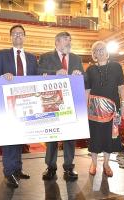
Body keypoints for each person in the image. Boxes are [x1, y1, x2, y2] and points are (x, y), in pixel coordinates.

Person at [0, 24, 38, 188]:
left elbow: (37, 79)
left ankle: (17, 169)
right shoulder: (2, 54)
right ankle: (9, 172)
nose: (18, 36)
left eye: (21, 34)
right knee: (9, 139)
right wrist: (3, 76)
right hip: (8, 104)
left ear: (25, 37)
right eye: (15, 34)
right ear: (11, 37)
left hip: (27, 104)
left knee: (20, 138)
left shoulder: (32, 58)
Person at [38, 32, 84, 181]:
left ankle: (69, 167)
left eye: (70, 40)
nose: (69, 42)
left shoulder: (77, 58)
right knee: (51, 137)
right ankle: (51, 167)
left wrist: (79, 73)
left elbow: (85, 78)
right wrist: (54, 73)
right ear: (57, 42)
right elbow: (38, 73)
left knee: (70, 136)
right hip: (52, 102)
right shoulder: (45, 57)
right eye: (65, 40)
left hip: (70, 103)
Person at [86, 41, 124, 177]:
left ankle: (106, 164)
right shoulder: (90, 70)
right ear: (94, 54)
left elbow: (121, 88)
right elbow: (87, 91)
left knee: (109, 137)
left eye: (102, 49)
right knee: (95, 136)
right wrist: (85, 108)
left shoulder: (116, 66)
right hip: (94, 109)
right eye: (97, 50)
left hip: (112, 108)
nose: (100, 51)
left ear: (106, 51)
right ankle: (93, 163)